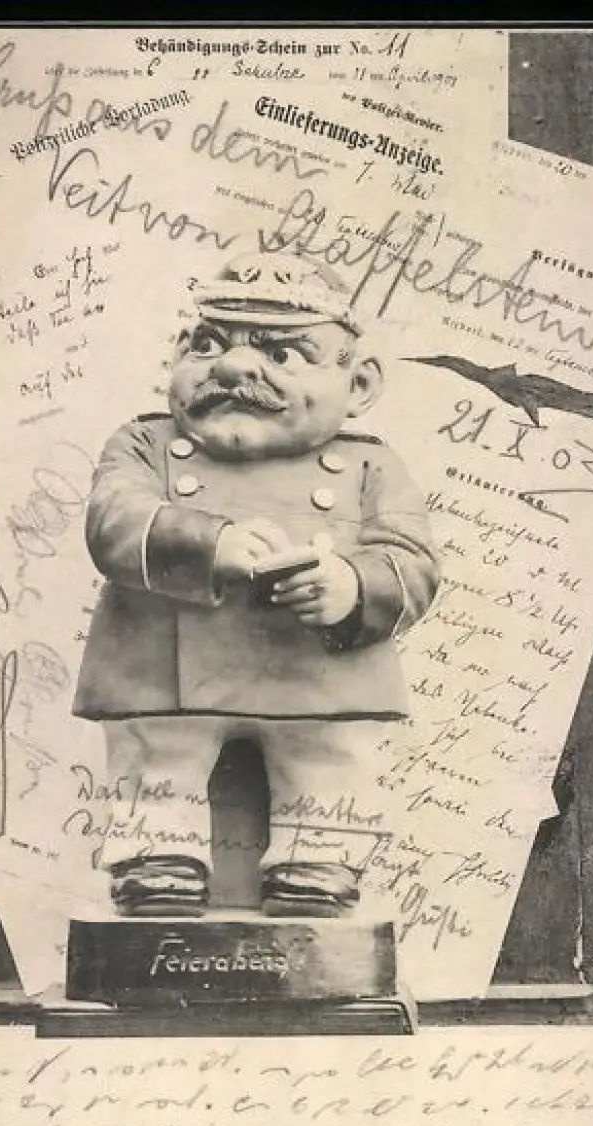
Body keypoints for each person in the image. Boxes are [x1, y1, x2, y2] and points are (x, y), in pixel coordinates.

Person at [73, 251, 441, 918]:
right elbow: (112, 522)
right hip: (160, 668)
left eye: (282, 353)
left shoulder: (372, 466)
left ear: (358, 383)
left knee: (331, 759)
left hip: (320, 672)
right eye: (208, 344)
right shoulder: (142, 445)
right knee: (156, 755)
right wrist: (207, 544)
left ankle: (318, 863)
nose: (233, 368)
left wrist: (351, 587)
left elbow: (413, 562)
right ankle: (156, 861)